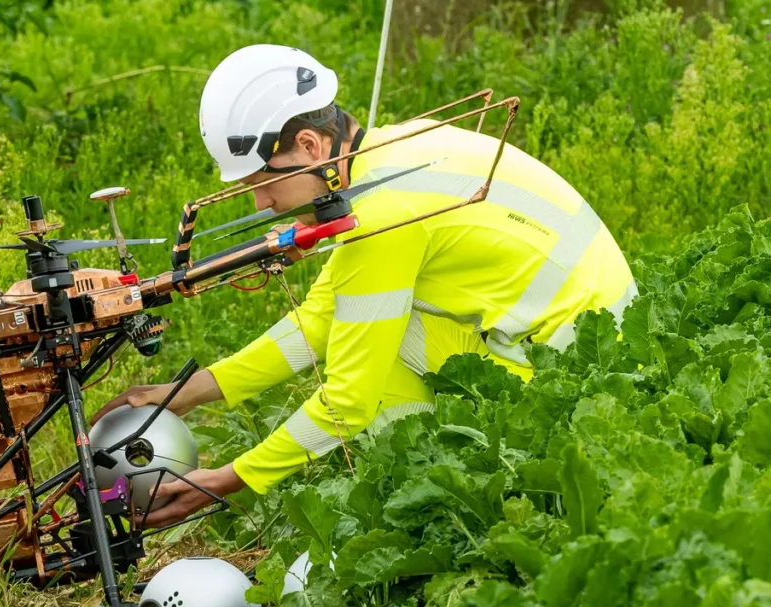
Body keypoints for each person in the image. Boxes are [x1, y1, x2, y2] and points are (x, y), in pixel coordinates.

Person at [91, 44, 637, 528]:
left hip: (575, 383)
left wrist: (228, 479)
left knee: (377, 353)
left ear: (309, 144)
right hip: (608, 344)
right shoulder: (388, 152)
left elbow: (347, 401)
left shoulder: (384, 212)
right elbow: (324, 315)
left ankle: (444, 502)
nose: (261, 203)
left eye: (263, 181)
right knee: (363, 331)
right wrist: (188, 393)